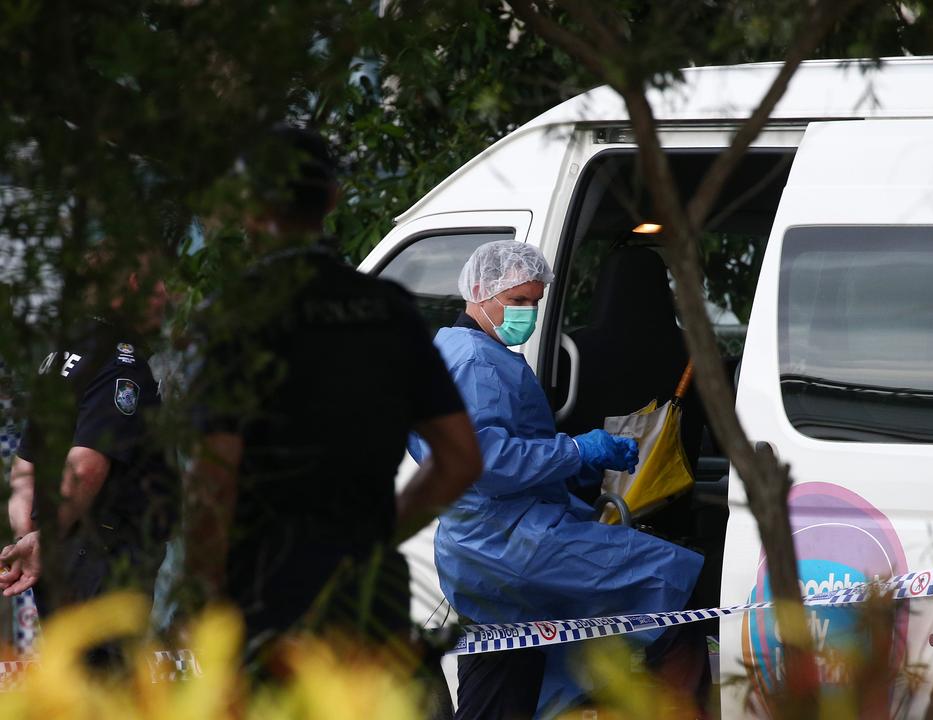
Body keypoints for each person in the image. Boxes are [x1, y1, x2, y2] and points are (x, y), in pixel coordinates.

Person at [181, 127, 482, 708]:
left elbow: (213, 479)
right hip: (367, 595)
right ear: (334, 199)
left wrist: (202, 602)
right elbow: (461, 460)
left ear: (247, 207)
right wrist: (373, 539)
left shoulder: (235, 315)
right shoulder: (389, 309)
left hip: (267, 598)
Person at [413, 240, 704, 718]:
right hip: (512, 543)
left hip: (477, 547)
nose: (527, 313)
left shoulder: (450, 349)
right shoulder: (476, 362)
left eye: (534, 302)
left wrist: (570, 465)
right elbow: (483, 462)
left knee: (506, 671)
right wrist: (575, 451)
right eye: (519, 301)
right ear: (481, 291)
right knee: (674, 590)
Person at [0, 258, 176, 625]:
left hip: (60, 551)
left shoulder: (61, 357)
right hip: (104, 554)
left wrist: (29, 538)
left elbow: (24, 468)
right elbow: (86, 464)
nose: (165, 293)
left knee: (73, 670)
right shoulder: (119, 362)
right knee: (106, 676)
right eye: (157, 281)